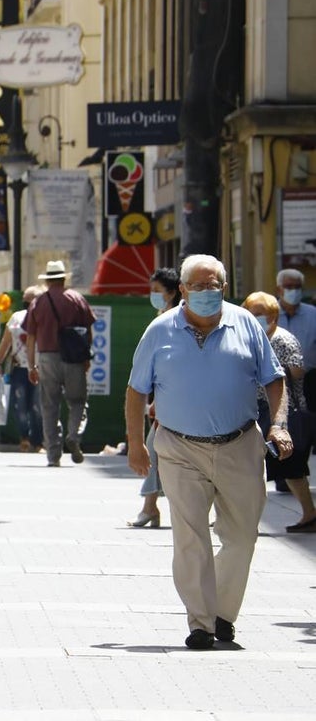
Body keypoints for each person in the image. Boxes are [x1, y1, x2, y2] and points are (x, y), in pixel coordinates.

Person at [126, 255, 290, 649]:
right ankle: (200, 622)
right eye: (197, 286)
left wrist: (279, 424)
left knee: (242, 536)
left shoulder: (246, 324)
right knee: (190, 536)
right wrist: (135, 444)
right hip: (180, 447)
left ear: (224, 287)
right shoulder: (159, 330)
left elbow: (274, 379)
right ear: (182, 290)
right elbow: (135, 391)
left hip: (240, 444)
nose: (205, 292)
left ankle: (222, 613)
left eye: (212, 285)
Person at [242, 292, 316, 532]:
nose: (256, 319)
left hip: (283, 411)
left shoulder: (283, 340)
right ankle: (239, 516)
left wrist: (275, 368)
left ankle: (309, 514)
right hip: (257, 408)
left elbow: (297, 372)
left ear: (273, 316)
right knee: (254, 466)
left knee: (286, 466)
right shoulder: (251, 338)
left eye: (260, 315)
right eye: (252, 314)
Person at [24, 260, 95, 467]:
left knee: (49, 406)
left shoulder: (38, 302)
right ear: (64, 278)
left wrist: (31, 366)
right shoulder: (77, 299)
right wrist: (85, 358)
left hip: (47, 358)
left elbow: (30, 338)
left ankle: (53, 455)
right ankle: (73, 435)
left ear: (47, 281)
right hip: (73, 358)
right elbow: (88, 332)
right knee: (78, 402)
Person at [127, 268, 182, 528]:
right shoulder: (164, 319)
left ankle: (150, 507)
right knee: (157, 451)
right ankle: (150, 506)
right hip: (163, 404)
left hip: (174, 405)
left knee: (155, 449)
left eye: (157, 291)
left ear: (172, 292)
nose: (153, 296)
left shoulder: (177, 322)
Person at [275, 269, 316, 490]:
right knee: (280, 424)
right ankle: (285, 474)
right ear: (279, 289)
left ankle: (295, 472)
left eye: (297, 287)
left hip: (308, 380)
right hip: (275, 381)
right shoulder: (269, 313)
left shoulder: (312, 314)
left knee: (304, 426)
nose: (293, 291)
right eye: (289, 286)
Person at [0, 284, 44, 452]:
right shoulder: (16, 318)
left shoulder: (45, 318)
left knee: (37, 407)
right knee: (20, 406)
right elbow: (6, 342)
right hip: (20, 369)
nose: (29, 305)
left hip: (41, 368)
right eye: (27, 301)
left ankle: (38, 442)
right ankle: (24, 437)